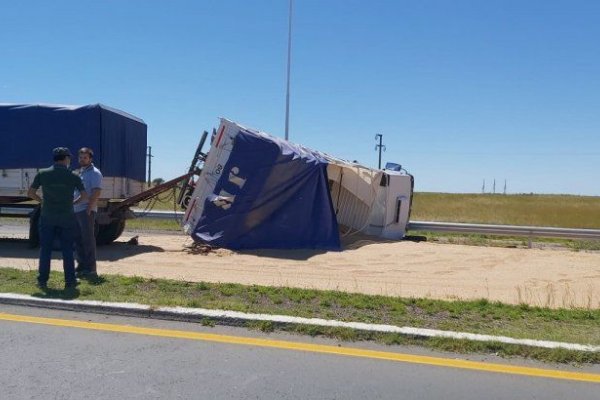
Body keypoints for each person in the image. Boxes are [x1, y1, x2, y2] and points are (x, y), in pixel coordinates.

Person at [28, 147, 88, 290]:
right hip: (67, 217)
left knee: (45, 250)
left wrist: (42, 201)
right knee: (67, 250)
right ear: (66, 158)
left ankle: (42, 280)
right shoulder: (73, 175)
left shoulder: (42, 173)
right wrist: (74, 203)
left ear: (55, 158)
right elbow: (85, 196)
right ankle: (70, 281)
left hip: (47, 216)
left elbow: (30, 193)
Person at [74, 147, 103, 279]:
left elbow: (97, 191)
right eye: (80, 157)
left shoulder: (95, 173)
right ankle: (81, 266)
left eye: (85, 157)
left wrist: (90, 207)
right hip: (77, 209)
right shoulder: (81, 172)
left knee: (88, 240)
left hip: (86, 210)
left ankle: (91, 269)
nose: (82, 159)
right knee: (78, 239)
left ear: (90, 159)